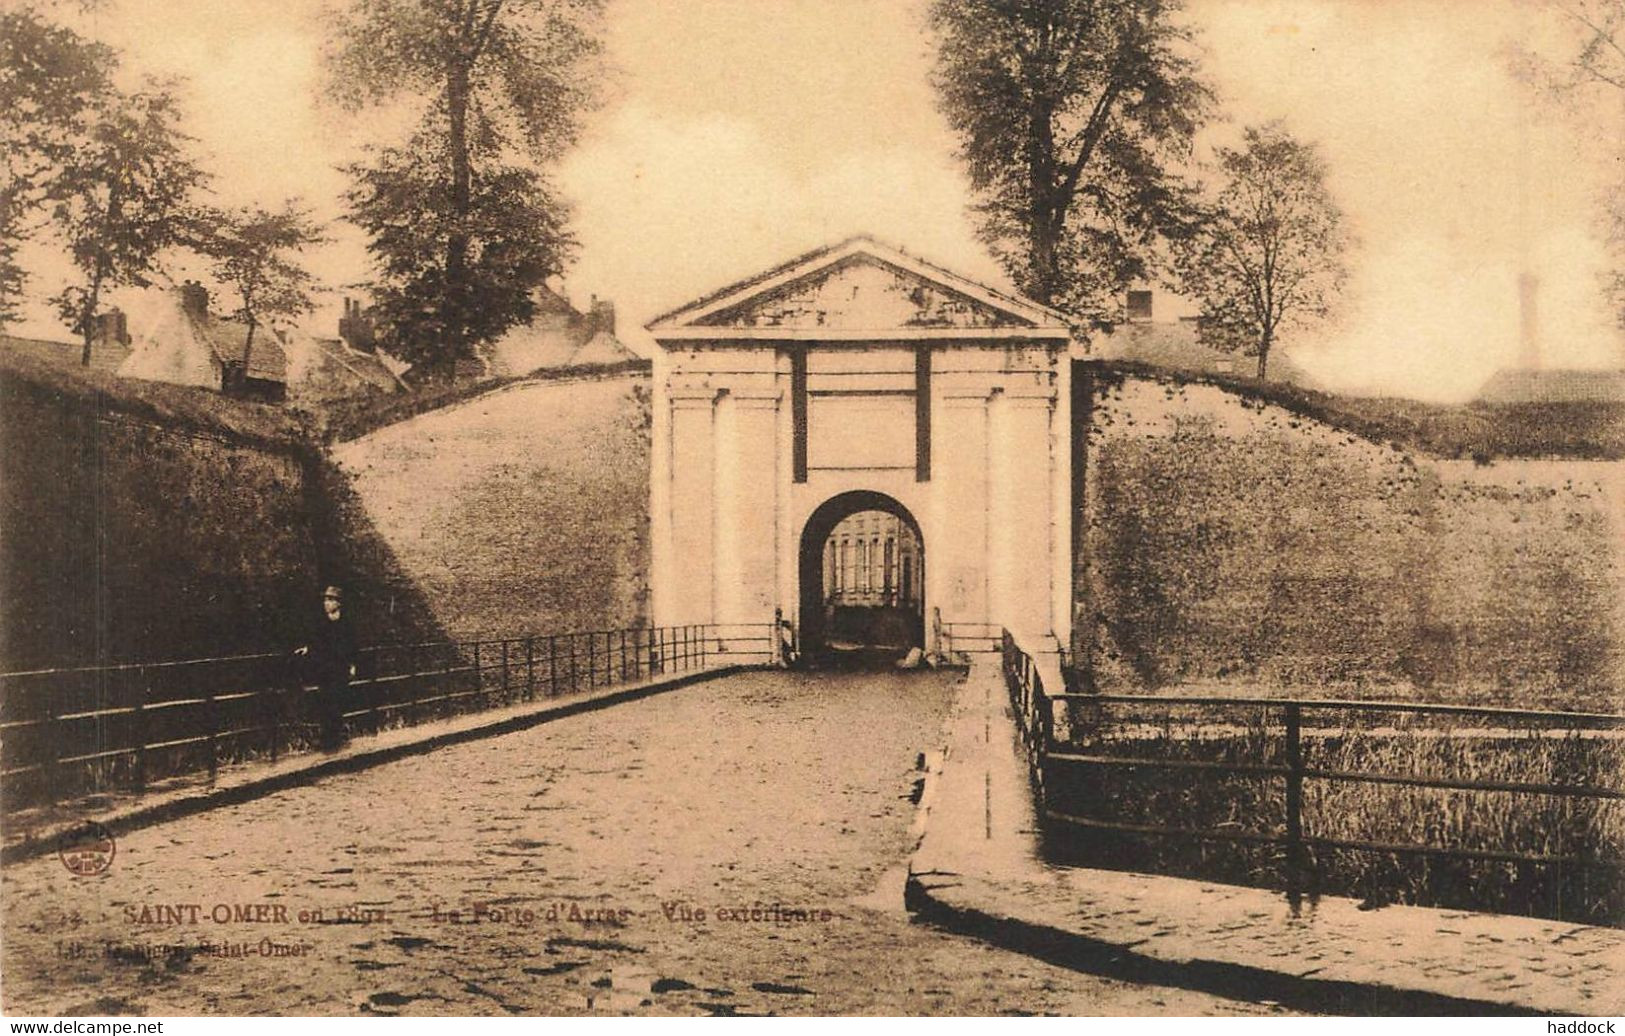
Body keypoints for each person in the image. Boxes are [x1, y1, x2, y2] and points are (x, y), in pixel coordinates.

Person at [294, 585, 357, 750]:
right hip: (325, 669)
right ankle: (327, 740)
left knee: (337, 701)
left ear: (339, 603)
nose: (326, 603)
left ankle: (336, 738)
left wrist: (352, 665)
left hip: (341, 668)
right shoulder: (321, 622)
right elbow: (316, 641)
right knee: (325, 701)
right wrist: (308, 648)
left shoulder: (346, 622)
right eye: (325, 600)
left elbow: (353, 645)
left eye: (330, 600)